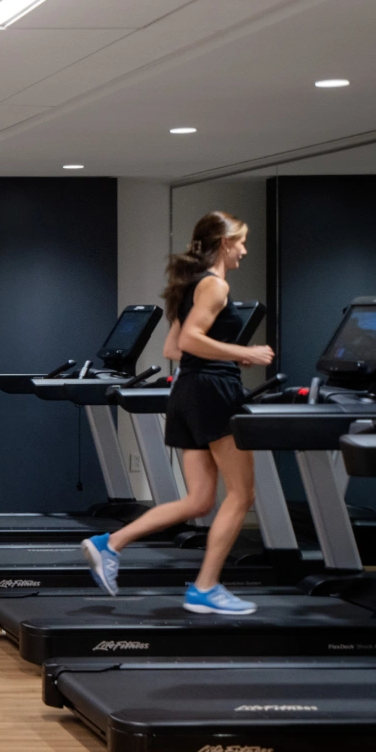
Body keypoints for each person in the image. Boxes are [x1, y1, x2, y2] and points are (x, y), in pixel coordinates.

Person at [80, 212, 275, 615]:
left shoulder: (189, 287)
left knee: (200, 500)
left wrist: (219, 355)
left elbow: (173, 349)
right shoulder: (216, 286)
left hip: (187, 393)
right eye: (240, 241)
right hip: (214, 393)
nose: (244, 249)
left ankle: (109, 544)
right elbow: (189, 339)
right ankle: (205, 587)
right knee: (242, 494)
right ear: (223, 243)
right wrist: (244, 352)